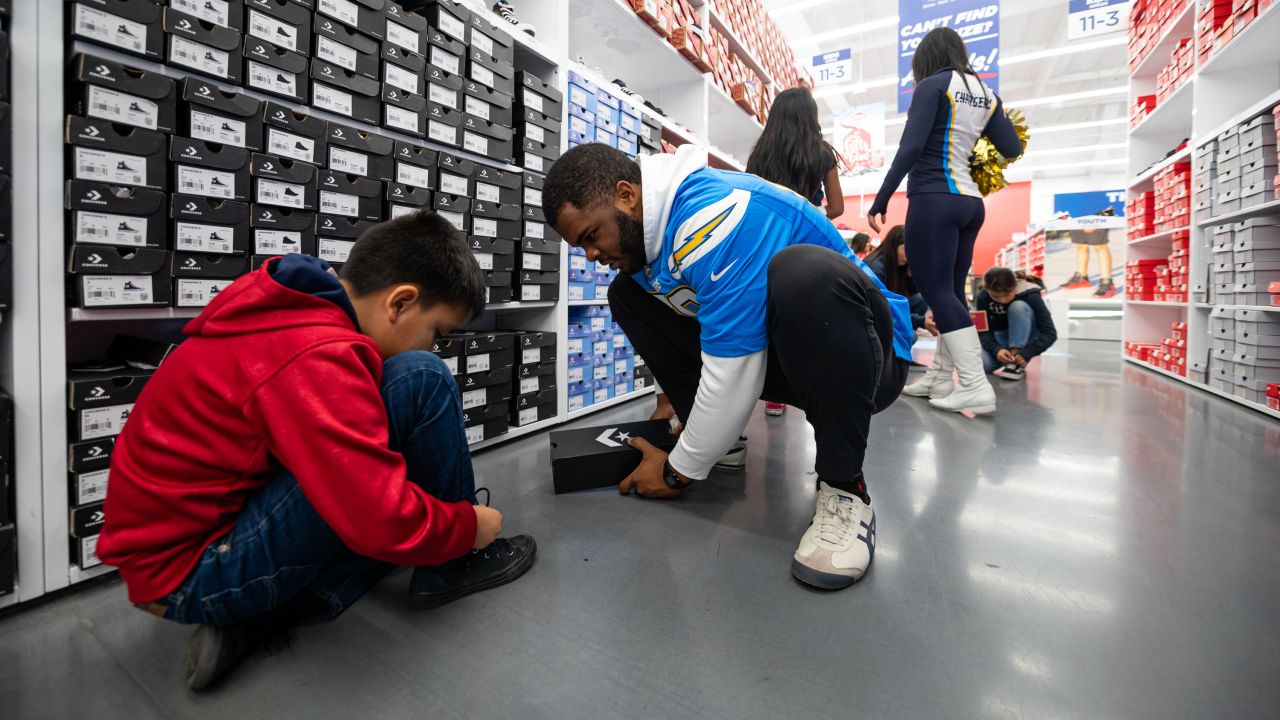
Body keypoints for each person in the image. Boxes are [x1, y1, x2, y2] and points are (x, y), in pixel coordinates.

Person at [96, 212, 537, 691]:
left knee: (395, 429)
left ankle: (263, 614)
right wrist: (467, 527)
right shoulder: (316, 352)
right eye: (436, 331)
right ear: (400, 302)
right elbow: (377, 517)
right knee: (421, 380)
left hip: (185, 549)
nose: (436, 344)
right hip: (191, 575)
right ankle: (454, 564)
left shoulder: (297, 308)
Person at [543, 142, 914, 591]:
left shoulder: (714, 215)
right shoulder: (647, 235)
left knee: (804, 273)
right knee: (626, 294)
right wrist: (691, 425)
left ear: (627, 196)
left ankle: (844, 488)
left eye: (589, 236)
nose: (590, 255)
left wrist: (676, 470)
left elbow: (732, 371)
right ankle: (725, 444)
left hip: (871, 358)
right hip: (791, 358)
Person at [866, 27, 1024, 415]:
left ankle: (974, 386)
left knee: (937, 291)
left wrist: (882, 196)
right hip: (971, 202)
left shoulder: (933, 86)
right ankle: (940, 374)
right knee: (951, 292)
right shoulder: (987, 94)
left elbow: (912, 146)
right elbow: (1012, 147)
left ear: (925, 59)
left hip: (934, 199)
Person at [746, 86, 844, 417]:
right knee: (806, 315)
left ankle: (768, 393)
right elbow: (839, 207)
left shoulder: (761, 153)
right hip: (807, 242)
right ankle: (807, 390)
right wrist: (813, 215)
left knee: (766, 312)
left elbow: (749, 197)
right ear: (811, 116)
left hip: (767, 239)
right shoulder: (822, 153)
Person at [975, 266, 1058, 381]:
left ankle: (1015, 362)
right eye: (995, 297)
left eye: (1007, 295)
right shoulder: (982, 297)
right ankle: (1009, 358)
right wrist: (996, 349)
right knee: (984, 365)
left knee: (1017, 306)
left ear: (1015, 286)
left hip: (1029, 335)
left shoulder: (1030, 293)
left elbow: (1050, 333)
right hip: (1001, 337)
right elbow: (983, 331)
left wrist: (1028, 353)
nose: (1002, 300)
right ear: (987, 290)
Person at [863, 225, 933, 338]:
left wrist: (911, 275)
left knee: (920, 299)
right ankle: (900, 334)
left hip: (885, 308)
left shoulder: (895, 263)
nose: (910, 255)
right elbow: (883, 308)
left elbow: (910, 292)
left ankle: (904, 330)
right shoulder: (876, 268)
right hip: (873, 317)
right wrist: (920, 321)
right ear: (894, 245)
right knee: (911, 337)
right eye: (906, 249)